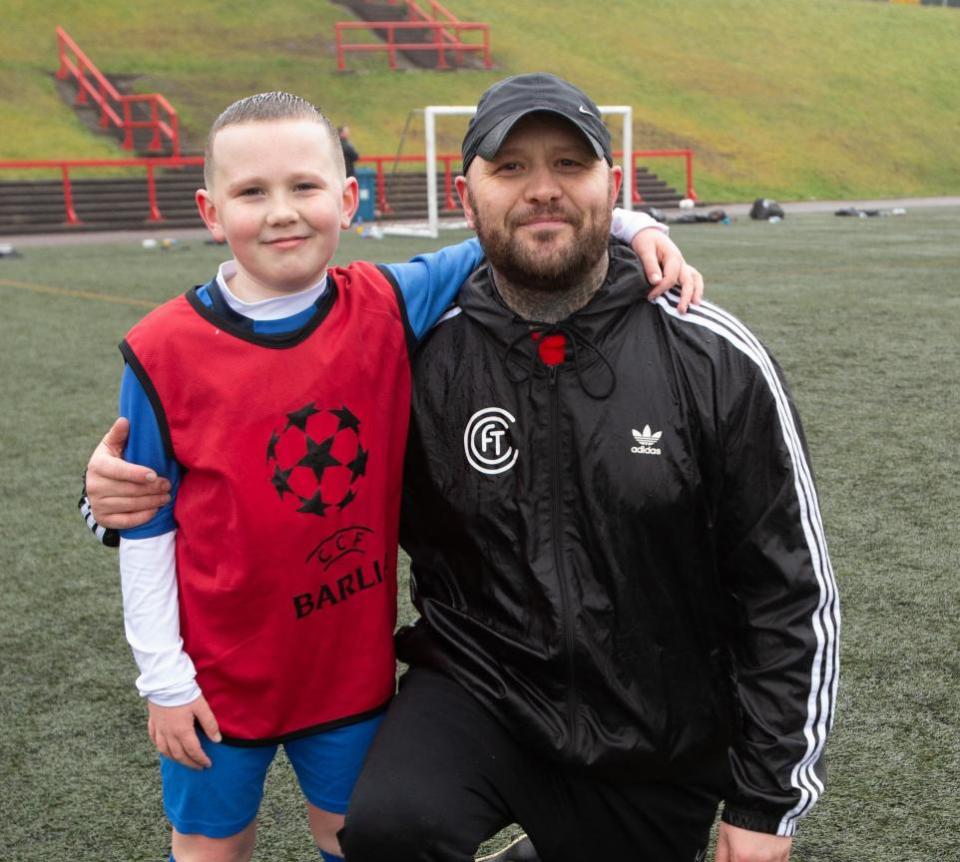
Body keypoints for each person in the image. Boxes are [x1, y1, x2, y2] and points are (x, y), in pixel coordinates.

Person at [81, 88, 701, 862]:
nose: (281, 212)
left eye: (304, 187)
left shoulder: (385, 302)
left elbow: (506, 231)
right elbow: (141, 517)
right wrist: (163, 679)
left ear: (347, 199)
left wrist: (635, 223)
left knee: (356, 837)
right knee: (209, 843)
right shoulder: (161, 348)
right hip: (216, 679)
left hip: (348, 670)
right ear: (211, 211)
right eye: (252, 193)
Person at [334, 74, 839, 862]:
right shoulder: (420, 354)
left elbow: (788, 592)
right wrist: (119, 495)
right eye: (510, 168)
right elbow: (266, 448)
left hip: (657, 730)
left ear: (613, 185)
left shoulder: (712, 355)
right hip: (481, 691)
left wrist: (767, 804)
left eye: (570, 164)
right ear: (465, 195)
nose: (542, 190)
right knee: (392, 828)